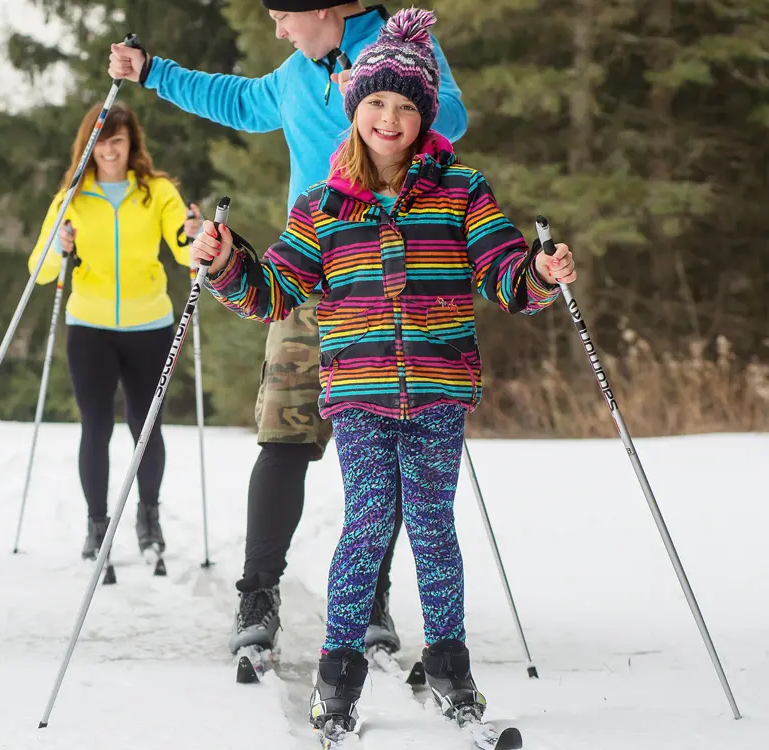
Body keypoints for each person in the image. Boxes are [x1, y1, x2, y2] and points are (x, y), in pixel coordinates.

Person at [190, 8, 576, 738]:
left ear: (426, 116)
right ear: (353, 109)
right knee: (367, 523)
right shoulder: (325, 206)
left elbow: (502, 275)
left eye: (405, 107)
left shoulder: (462, 192)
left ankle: (452, 664)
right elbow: (273, 291)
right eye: (375, 104)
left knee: (433, 526)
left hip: (437, 389)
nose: (389, 119)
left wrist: (540, 273)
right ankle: (339, 676)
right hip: (361, 392)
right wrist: (225, 262)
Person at [110, 0, 468, 656]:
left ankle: (370, 597)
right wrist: (153, 71)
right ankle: (258, 593)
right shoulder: (295, 72)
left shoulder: (397, 46)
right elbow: (242, 101)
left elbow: (454, 117)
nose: (277, 29)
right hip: (309, 276)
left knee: (385, 452)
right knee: (284, 436)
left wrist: (371, 95)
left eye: (283, 16)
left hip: (387, 281)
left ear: (326, 11)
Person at [28, 101, 202, 565]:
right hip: (90, 326)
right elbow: (40, 269)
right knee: (96, 426)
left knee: (146, 427)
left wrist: (193, 233)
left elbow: (186, 254)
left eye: (118, 141)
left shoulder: (157, 191)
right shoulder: (71, 197)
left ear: (131, 145)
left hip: (150, 324)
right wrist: (60, 248)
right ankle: (96, 523)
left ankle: (149, 518)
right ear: (91, 143)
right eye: (102, 141)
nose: (110, 150)